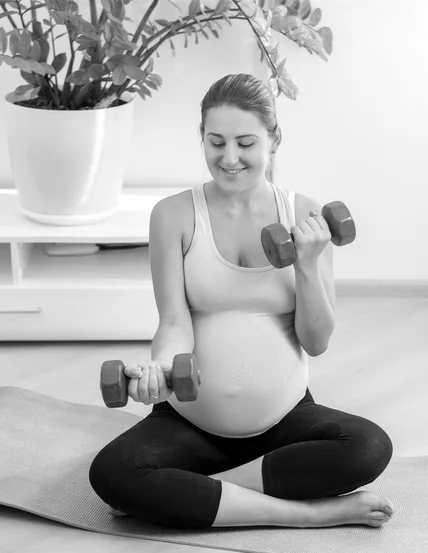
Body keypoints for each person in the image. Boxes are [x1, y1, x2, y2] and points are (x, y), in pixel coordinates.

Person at [89, 73, 395, 529]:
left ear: (273, 140)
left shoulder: (305, 216)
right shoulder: (173, 215)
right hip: (192, 424)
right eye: (216, 142)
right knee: (110, 473)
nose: (229, 158)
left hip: (284, 423)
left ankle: (202, 491)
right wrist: (161, 371)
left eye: (245, 143)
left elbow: (316, 342)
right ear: (202, 139)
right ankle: (306, 514)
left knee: (369, 446)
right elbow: (173, 321)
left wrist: (308, 264)